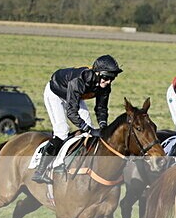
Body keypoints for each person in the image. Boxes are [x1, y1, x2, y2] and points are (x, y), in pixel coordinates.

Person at [32, 54, 123, 184]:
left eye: (112, 78)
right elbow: (71, 113)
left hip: (74, 96)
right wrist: (89, 130)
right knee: (62, 131)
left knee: (88, 131)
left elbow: (101, 108)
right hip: (56, 93)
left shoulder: (105, 86)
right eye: (106, 77)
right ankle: (40, 171)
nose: (108, 81)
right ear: (97, 73)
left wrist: (103, 126)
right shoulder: (80, 80)